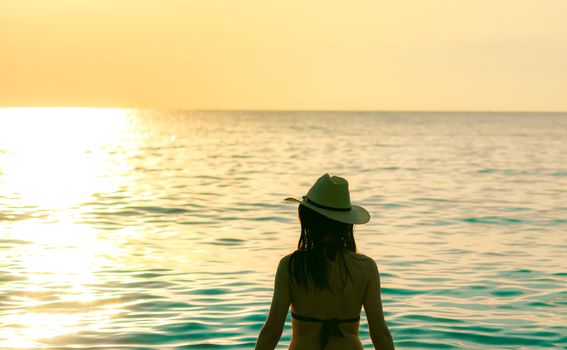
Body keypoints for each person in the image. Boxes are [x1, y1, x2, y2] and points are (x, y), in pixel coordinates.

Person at [255, 174, 395, 350]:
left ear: (308, 220)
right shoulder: (365, 267)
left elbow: (272, 331)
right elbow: (380, 333)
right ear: (346, 224)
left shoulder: (291, 266)